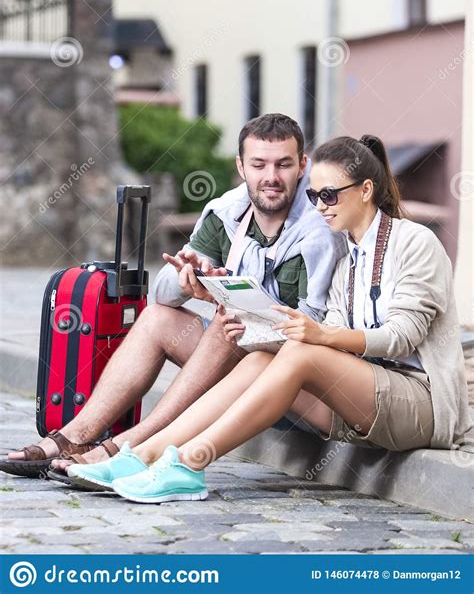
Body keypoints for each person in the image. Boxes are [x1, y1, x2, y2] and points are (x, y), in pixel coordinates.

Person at [65, 134, 472, 504]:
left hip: (423, 405)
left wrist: (319, 335)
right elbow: (322, 335)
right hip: (359, 400)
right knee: (263, 358)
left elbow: (401, 337)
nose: (319, 207)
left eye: (329, 195)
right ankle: (142, 455)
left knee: (299, 354)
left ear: (366, 190)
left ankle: (189, 463)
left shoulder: (414, 242)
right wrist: (253, 324)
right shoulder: (345, 258)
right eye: (313, 197)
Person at [1, 113, 344, 477]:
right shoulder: (228, 212)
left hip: (296, 388)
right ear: (241, 167)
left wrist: (249, 321)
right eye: (259, 164)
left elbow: (317, 336)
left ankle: (127, 448)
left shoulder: (321, 228)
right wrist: (187, 279)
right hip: (237, 369)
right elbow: (162, 294)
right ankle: (75, 436)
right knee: (158, 319)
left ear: (302, 165)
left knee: (226, 326)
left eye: (284, 164)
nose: (271, 177)